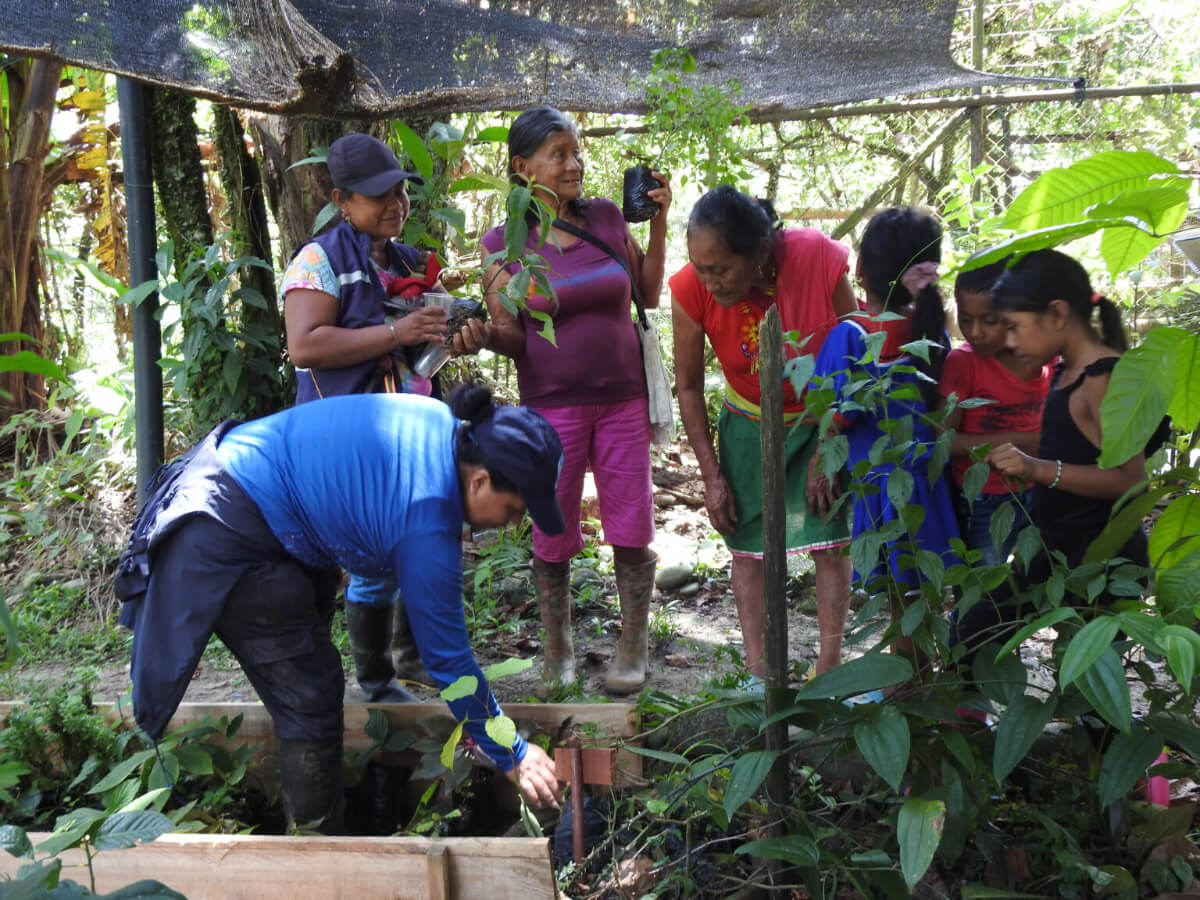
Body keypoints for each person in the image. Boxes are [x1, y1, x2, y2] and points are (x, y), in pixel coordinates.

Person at [113, 386, 564, 832]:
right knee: (308, 696)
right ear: (480, 479)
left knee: (308, 674)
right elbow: (450, 662)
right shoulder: (426, 516)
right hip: (229, 525)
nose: (512, 524)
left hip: (250, 495)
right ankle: (319, 853)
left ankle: (322, 824)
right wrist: (513, 751)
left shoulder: (437, 427)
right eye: (513, 509)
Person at [282, 132, 491, 702]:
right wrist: (396, 332)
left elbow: (434, 335)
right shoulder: (318, 261)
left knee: (420, 540)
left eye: (399, 192)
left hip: (410, 433)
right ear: (341, 200)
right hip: (346, 438)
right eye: (378, 197)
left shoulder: (408, 260)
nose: (395, 205)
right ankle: (375, 682)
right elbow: (305, 346)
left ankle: (412, 661)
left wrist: (461, 335)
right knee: (374, 557)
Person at [480, 106, 671, 695]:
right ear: (522, 167)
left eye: (577, 151)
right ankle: (558, 650)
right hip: (551, 408)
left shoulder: (609, 219)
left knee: (631, 523)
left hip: (622, 401)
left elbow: (647, 293)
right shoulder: (499, 243)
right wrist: (486, 331)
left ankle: (631, 645)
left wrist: (661, 222)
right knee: (551, 525)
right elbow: (513, 338)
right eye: (558, 154)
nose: (575, 163)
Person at [669, 186, 856, 680]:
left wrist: (829, 447)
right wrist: (711, 477)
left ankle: (830, 669)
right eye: (701, 268)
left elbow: (853, 352)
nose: (710, 282)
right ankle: (760, 676)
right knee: (747, 550)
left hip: (820, 418)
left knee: (831, 543)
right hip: (747, 424)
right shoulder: (690, 289)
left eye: (722, 269)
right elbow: (687, 386)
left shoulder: (815, 258)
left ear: (759, 253)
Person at [952, 249, 1170, 660]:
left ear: (1056, 315)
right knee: (971, 635)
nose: (1010, 341)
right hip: (1053, 547)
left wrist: (1038, 468)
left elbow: (1131, 480)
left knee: (1087, 684)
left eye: (1015, 327)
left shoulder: (1102, 377)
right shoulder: (1066, 371)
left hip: (1102, 558)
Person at [809, 206, 960, 669]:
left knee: (900, 596)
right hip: (932, 483)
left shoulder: (852, 335)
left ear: (859, 271)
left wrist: (820, 464)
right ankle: (926, 680)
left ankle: (906, 686)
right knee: (926, 590)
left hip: (882, 488)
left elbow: (832, 412)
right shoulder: (932, 332)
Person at [939, 259, 1052, 566]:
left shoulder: (1048, 360)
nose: (975, 332)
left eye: (989, 320)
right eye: (966, 319)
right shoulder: (963, 364)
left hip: (1041, 490)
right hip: (984, 499)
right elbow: (942, 441)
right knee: (984, 585)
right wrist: (1021, 440)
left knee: (1039, 575)